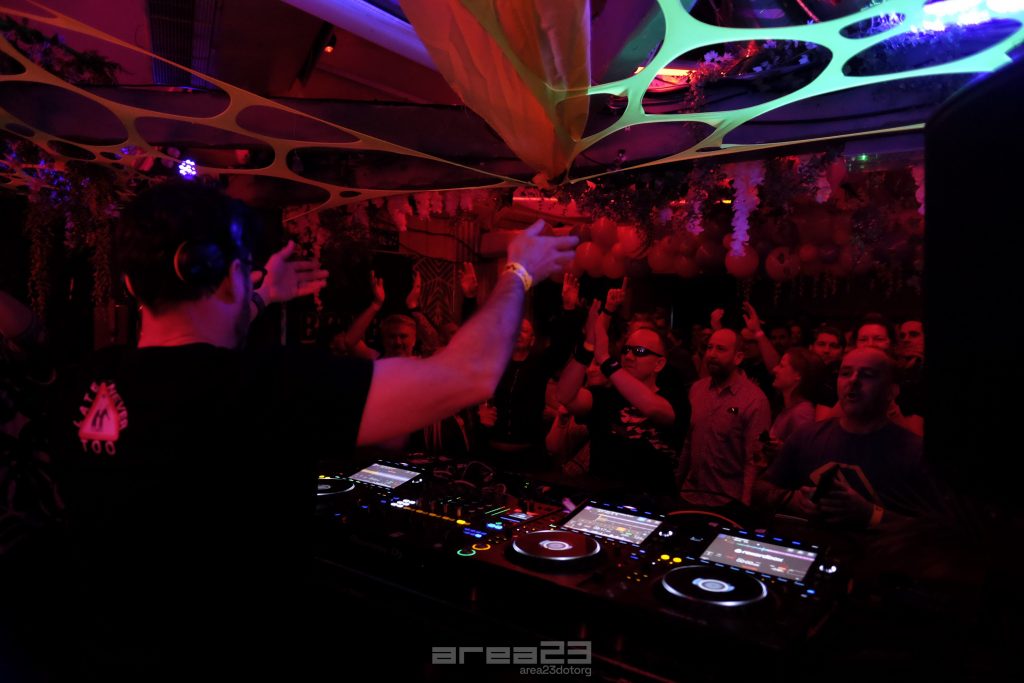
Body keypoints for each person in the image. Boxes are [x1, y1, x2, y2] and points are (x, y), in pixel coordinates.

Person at [44, 182, 577, 679]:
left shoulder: (82, 383)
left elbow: (189, 366)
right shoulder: (269, 388)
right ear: (226, 275)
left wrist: (257, 297)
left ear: (130, 282)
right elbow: (468, 374)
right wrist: (518, 273)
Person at [753, 347, 941, 529]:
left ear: (891, 391)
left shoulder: (914, 452)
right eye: (845, 373)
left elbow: (938, 529)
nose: (853, 380)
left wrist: (870, 515)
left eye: (867, 375)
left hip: (877, 551)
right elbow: (760, 489)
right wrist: (792, 499)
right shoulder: (806, 437)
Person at [556, 283, 687, 496]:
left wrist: (606, 361)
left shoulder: (673, 396)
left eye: (640, 351)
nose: (629, 356)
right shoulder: (607, 396)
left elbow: (653, 409)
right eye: (626, 349)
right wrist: (587, 348)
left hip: (652, 505)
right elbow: (565, 396)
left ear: (659, 364)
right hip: (602, 502)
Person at [679, 328, 771, 507]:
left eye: (720, 349)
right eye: (710, 347)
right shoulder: (697, 390)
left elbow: (753, 460)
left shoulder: (754, 400)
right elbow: (687, 443)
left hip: (727, 500)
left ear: (738, 357)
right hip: (690, 494)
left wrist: (744, 506)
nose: (712, 354)